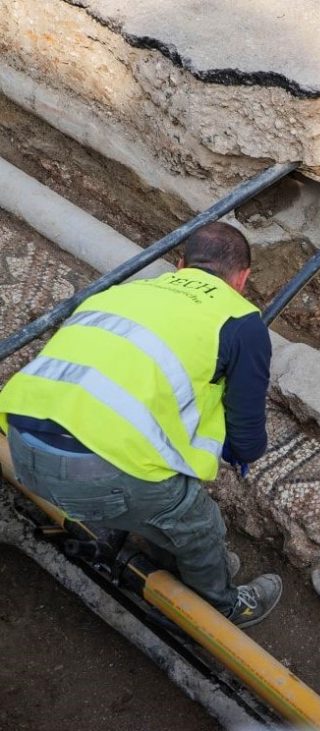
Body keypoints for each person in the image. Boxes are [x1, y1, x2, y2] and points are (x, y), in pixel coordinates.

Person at [0, 222, 281, 628]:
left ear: (180, 265)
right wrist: (236, 450)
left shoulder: (122, 291)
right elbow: (247, 437)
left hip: (20, 446)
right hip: (95, 476)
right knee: (199, 522)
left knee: (153, 497)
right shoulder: (240, 320)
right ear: (243, 278)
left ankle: (174, 557)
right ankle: (221, 609)